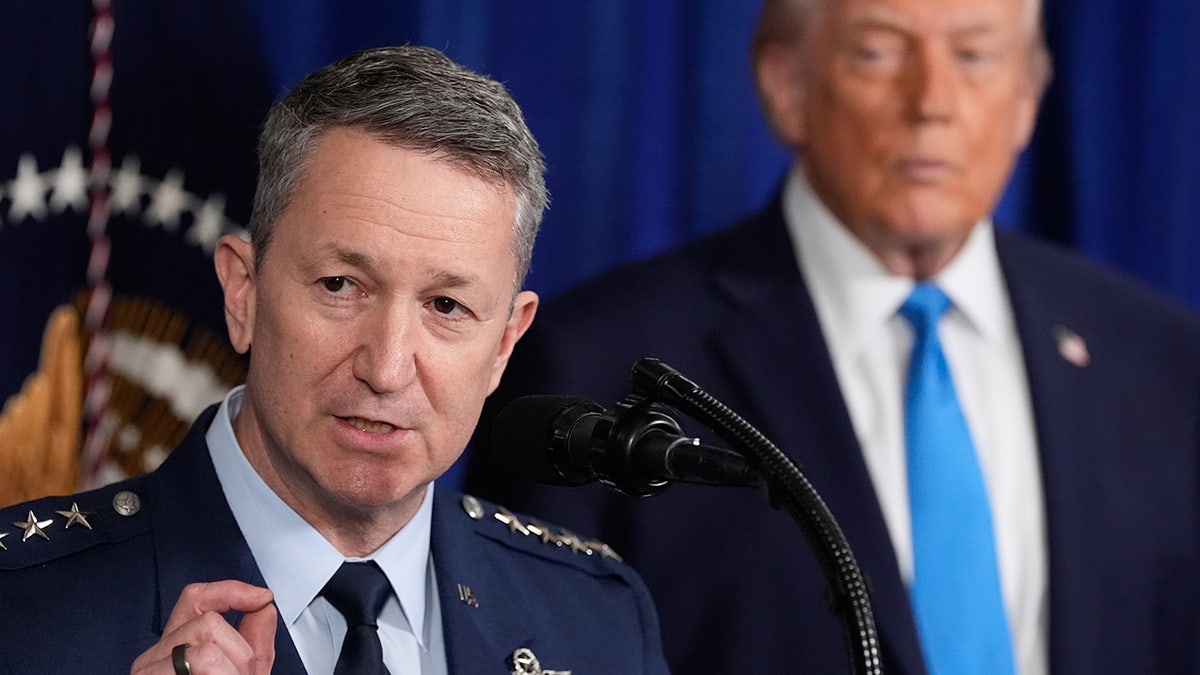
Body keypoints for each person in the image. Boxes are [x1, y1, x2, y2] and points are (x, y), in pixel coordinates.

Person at [466, 0, 1200, 673]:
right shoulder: (596, 361)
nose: (932, 103)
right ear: (787, 86)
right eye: (879, 52)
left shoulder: (1160, 360)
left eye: (975, 56)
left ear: (1028, 101)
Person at [0, 46, 669, 675]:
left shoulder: (598, 618)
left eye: (445, 305)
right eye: (340, 286)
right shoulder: (24, 612)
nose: (386, 368)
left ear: (503, 345)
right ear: (244, 293)